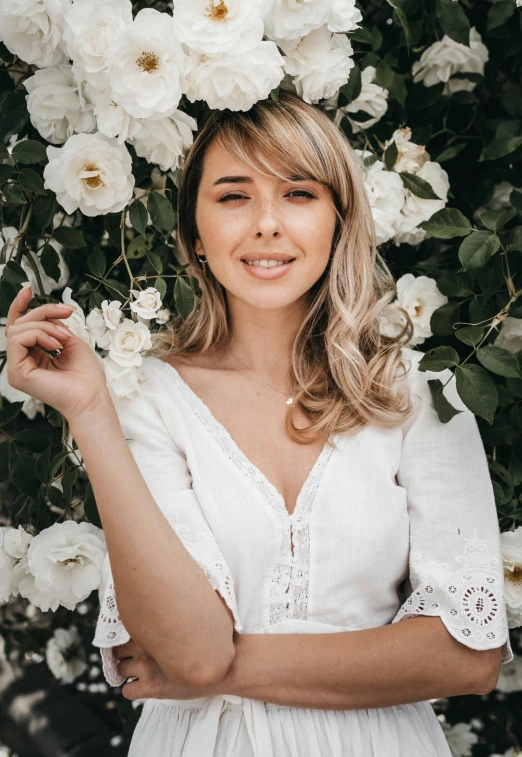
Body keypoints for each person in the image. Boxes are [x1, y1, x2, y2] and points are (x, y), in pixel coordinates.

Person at [5, 90, 512, 757]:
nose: (267, 224)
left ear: (339, 218)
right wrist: (91, 412)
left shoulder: (422, 398)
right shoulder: (149, 401)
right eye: (235, 196)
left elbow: (466, 655)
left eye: (299, 193)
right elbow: (190, 645)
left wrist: (225, 666)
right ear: (194, 233)